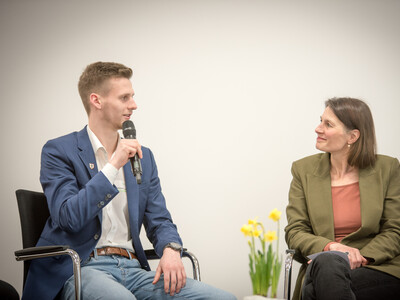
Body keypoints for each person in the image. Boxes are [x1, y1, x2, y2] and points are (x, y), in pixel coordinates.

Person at [22, 61, 236, 300]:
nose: (133, 105)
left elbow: (159, 219)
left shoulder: (143, 158)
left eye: (132, 97)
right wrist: (114, 166)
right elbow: (68, 217)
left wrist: (171, 248)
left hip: (133, 269)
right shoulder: (59, 151)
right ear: (97, 101)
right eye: (124, 98)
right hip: (82, 269)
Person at [285, 97, 400, 300]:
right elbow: (295, 231)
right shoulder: (303, 170)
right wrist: (332, 248)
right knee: (328, 263)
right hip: (324, 266)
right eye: (320, 120)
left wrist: (359, 257)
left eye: (327, 124)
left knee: (317, 289)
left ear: (352, 136)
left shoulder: (387, 168)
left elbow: (395, 229)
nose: (317, 129)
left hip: (376, 267)